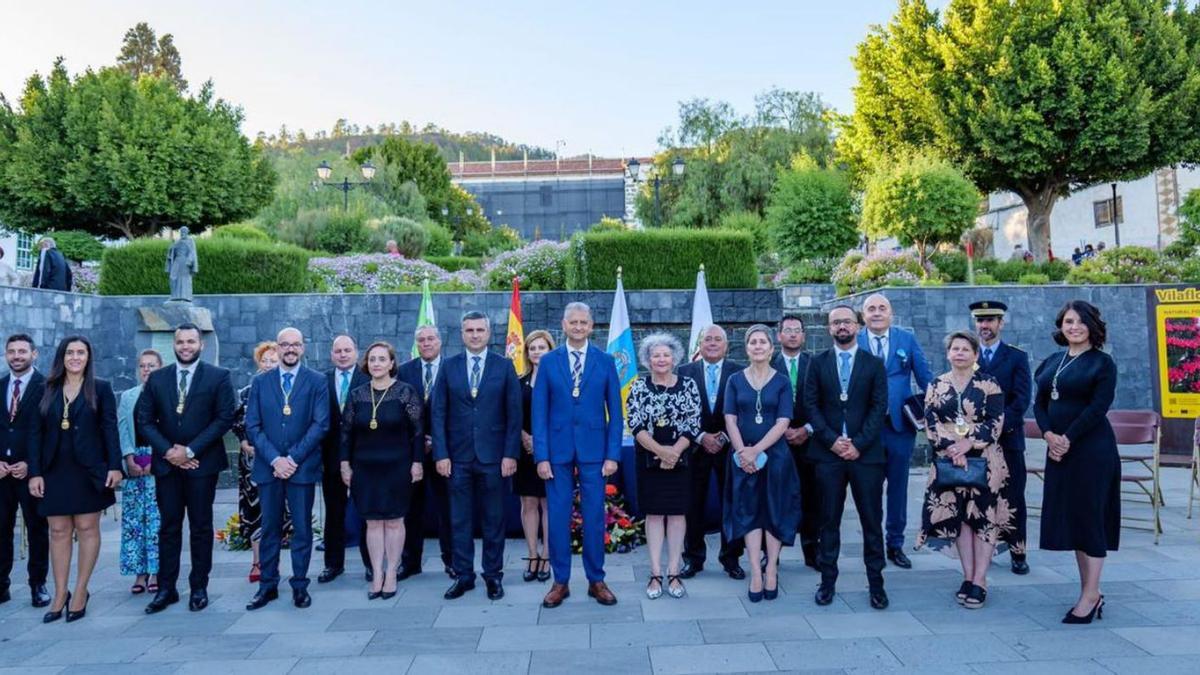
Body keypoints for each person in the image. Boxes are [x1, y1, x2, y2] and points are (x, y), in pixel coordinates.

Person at [137, 324, 236, 614]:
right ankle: (166, 588)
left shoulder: (219, 377)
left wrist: (190, 450)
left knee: (201, 527)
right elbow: (144, 420)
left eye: (191, 341)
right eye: (180, 342)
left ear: (201, 344)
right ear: (174, 345)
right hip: (168, 467)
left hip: (202, 465)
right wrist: (170, 452)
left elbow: (224, 418)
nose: (185, 346)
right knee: (168, 527)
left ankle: (199, 587)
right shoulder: (157, 379)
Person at [533, 302, 623, 609]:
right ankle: (560, 582)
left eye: (584, 322)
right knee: (557, 518)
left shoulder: (606, 361)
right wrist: (541, 456)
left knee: (595, 517)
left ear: (591, 325)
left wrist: (612, 454)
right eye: (573, 322)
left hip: (595, 452)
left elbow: (616, 413)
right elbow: (539, 413)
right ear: (564, 324)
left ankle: (596, 580)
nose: (579, 326)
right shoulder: (548, 362)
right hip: (556, 453)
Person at [1034, 300, 1119, 624]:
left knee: (1090, 519)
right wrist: (1048, 436)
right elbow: (1039, 403)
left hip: (1091, 451)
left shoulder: (1102, 363)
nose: (1074, 327)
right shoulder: (1052, 361)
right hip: (1058, 450)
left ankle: (1090, 594)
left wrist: (1067, 438)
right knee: (1074, 521)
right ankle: (1089, 591)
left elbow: (1098, 408)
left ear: (1092, 326)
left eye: (1081, 322)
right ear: (1061, 325)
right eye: (1069, 321)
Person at [27, 336, 123, 623]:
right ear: (62, 357)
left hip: (89, 469)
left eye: (81, 352)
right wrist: (34, 473)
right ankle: (60, 593)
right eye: (70, 352)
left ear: (88, 357)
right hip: (54, 469)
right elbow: (34, 434)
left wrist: (115, 466)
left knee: (86, 526)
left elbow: (110, 430)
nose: (75, 357)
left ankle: (80, 590)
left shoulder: (101, 388)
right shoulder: (45, 388)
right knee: (57, 530)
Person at [914, 332, 1011, 609]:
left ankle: (981, 580)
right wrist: (952, 449)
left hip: (985, 462)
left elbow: (996, 422)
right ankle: (967, 577)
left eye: (965, 349)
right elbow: (930, 423)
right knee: (962, 521)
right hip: (950, 461)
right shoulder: (936, 384)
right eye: (954, 349)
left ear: (975, 354)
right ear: (947, 354)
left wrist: (968, 443)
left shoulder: (989, 384)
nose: (959, 353)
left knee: (983, 519)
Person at [431, 311, 522, 601]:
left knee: (494, 519)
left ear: (488, 333)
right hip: (457, 458)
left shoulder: (504, 366)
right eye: (469, 330)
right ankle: (464, 576)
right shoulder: (448, 367)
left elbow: (514, 415)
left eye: (479, 330)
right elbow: (438, 412)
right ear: (461, 334)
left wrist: (510, 454)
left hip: (494, 458)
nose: (474, 334)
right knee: (459, 520)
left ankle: (493, 576)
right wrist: (441, 454)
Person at [805, 306, 889, 610]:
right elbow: (810, 406)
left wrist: (858, 444)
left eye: (847, 321)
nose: (842, 326)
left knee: (871, 521)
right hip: (828, 456)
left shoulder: (874, 364)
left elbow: (879, 407)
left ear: (858, 325)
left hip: (865, 456)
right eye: (836, 322)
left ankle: (876, 584)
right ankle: (827, 582)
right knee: (828, 521)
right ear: (829, 328)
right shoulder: (817, 363)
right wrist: (832, 441)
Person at [244, 327, 331, 610]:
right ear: (277, 348)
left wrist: (291, 459)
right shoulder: (261, 383)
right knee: (269, 528)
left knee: (302, 529)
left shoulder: (317, 381)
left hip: (301, 467)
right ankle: (267, 586)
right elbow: (253, 426)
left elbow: (321, 424)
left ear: (303, 348)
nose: (290, 349)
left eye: (295, 344)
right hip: (269, 468)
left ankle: (299, 586)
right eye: (285, 345)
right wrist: (275, 460)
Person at [722, 325, 801, 603]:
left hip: (775, 459)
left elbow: (783, 421)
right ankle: (755, 571)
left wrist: (757, 449)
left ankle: (771, 570)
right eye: (752, 342)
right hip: (742, 460)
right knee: (749, 513)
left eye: (762, 342)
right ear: (746, 348)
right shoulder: (734, 379)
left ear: (771, 348)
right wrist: (743, 451)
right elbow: (730, 419)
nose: (757, 346)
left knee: (773, 513)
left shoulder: (781, 381)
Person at [340, 342, 424, 599]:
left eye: (382, 359)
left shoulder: (404, 393)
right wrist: (344, 464)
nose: (376, 363)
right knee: (373, 522)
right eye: (372, 359)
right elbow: (345, 433)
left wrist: (417, 462)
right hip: (365, 468)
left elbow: (418, 431)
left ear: (391, 363)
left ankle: (391, 573)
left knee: (395, 521)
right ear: (367, 364)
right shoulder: (357, 395)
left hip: (397, 467)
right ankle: (377, 573)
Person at [858, 293, 932, 569]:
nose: (877, 313)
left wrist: (938, 411)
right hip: (866, 430)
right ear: (863, 315)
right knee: (869, 490)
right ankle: (873, 543)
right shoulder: (856, 340)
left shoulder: (906, 339)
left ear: (891, 313)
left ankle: (895, 544)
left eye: (882, 308)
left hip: (900, 427)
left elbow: (925, 378)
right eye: (871, 309)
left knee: (898, 489)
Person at [629, 333, 701, 600]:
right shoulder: (638, 386)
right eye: (655, 355)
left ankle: (674, 572)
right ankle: (656, 573)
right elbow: (635, 423)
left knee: (677, 513)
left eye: (666, 355)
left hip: (681, 457)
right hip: (649, 458)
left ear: (675, 358)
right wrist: (662, 452)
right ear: (647, 360)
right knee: (655, 514)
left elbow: (694, 422)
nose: (661, 359)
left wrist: (674, 452)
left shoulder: (689, 384)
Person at [678, 325, 746, 580]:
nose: (713, 343)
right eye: (708, 339)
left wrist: (725, 436)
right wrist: (701, 436)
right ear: (700, 344)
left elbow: (744, 410)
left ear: (726, 345)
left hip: (730, 448)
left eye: (718, 339)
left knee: (732, 503)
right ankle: (693, 559)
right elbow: (680, 411)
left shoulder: (739, 373)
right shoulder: (685, 372)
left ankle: (731, 559)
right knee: (693, 504)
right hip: (695, 449)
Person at [972, 301, 1033, 574]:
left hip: (1007, 439)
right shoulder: (967, 355)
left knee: (1013, 497)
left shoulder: (1016, 357)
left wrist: (994, 427)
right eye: (980, 321)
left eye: (990, 320)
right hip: (975, 443)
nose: (985, 326)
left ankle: (1017, 551)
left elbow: (1021, 400)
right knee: (980, 498)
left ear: (1001, 323)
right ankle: (982, 549)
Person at [230, 341, 292, 582]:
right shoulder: (247, 390)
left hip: (280, 461)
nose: (268, 364)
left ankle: (274, 562)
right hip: (253, 462)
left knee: (277, 513)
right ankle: (257, 563)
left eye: (273, 360)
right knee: (256, 512)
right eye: (264, 360)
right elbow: (236, 421)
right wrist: (244, 442)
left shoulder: (287, 389)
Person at [397, 325, 454, 581]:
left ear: (440, 341)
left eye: (431, 338)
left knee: (448, 510)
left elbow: (459, 411)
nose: (426, 343)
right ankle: (410, 562)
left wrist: (438, 441)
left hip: (446, 453)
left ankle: (452, 561)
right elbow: (399, 411)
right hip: (413, 453)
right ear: (416, 344)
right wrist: (420, 442)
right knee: (412, 510)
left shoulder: (453, 368)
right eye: (421, 340)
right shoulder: (404, 371)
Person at [0, 334, 50, 608]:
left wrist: (32, 465)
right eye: (11, 351)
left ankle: (38, 585)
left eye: (22, 351)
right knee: (1, 529)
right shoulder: (0, 385)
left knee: (37, 529)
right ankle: (1, 585)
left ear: (34, 354)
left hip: (32, 472)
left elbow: (51, 433)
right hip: (1, 473)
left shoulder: (47, 388)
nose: (17, 356)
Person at [318, 335, 371, 584]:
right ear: (331, 354)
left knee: (365, 514)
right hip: (330, 459)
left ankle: (370, 564)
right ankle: (333, 565)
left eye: (347, 350)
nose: (342, 354)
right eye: (337, 350)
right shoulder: (321, 381)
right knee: (334, 514)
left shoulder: (368, 379)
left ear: (356, 352)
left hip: (362, 458)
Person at [771, 314, 819, 568]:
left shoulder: (817, 364)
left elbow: (826, 403)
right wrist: (782, 430)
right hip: (776, 444)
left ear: (803, 335)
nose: (792, 334)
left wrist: (807, 429)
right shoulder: (767, 364)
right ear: (779, 335)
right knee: (776, 499)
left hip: (810, 442)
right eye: (787, 329)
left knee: (811, 499)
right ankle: (773, 553)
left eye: (797, 330)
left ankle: (812, 552)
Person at [118, 350, 163, 596]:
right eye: (143, 366)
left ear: (160, 367)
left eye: (152, 365)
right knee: (134, 521)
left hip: (159, 462)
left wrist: (156, 459)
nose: (147, 370)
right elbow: (122, 429)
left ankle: (157, 570)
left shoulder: (166, 395)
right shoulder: (128, 396)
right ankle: (139, 572)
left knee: (157, 520)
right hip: (134, 460)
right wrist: (128, 458)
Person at [516, 330, 555, 582]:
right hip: (524, 450)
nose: (537, 352)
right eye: (532, 348)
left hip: (551, 451)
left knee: (548, 503)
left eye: (542, 347)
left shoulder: (559, 382)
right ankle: (532, 554)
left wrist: (541, 442)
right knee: (529, 503)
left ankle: (547, 555)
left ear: (550, 350)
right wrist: (524, 437)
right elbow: (511, 414)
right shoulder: (519, 382)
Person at [166, 227, 198, 302]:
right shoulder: (178, 241)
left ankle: (185, 297)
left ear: (187, 232)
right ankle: (174, 296)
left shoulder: (190, 241)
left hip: (185, 262)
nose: (182, 233)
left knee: (184, 279)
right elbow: (172, 251)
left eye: (184, 231)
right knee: (172, 277)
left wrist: (190, 261)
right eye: (181, 231)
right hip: (177, 261)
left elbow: (192, 251)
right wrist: (171, 248)